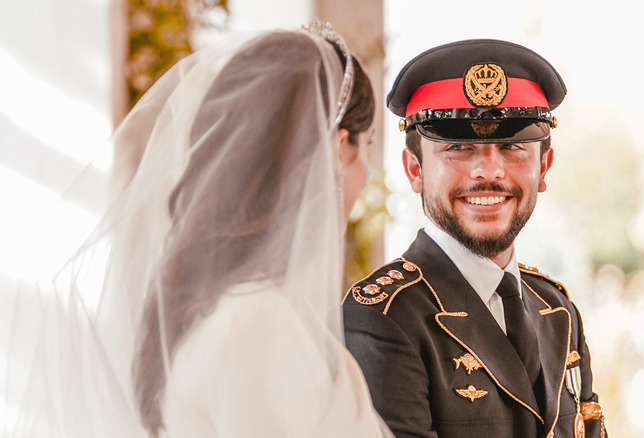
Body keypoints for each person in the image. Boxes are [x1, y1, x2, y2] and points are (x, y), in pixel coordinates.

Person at [6, 22, 392, 438]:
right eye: (366, 145)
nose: (367, 172)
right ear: (338, 149)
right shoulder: (261, 324)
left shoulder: (211, 310)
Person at [343, 39, 606, 438]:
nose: (488, 170)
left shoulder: (558, 310)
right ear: (415, 169)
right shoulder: (380, 319)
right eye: (458, 147)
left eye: (513, 146)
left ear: (544, 166)